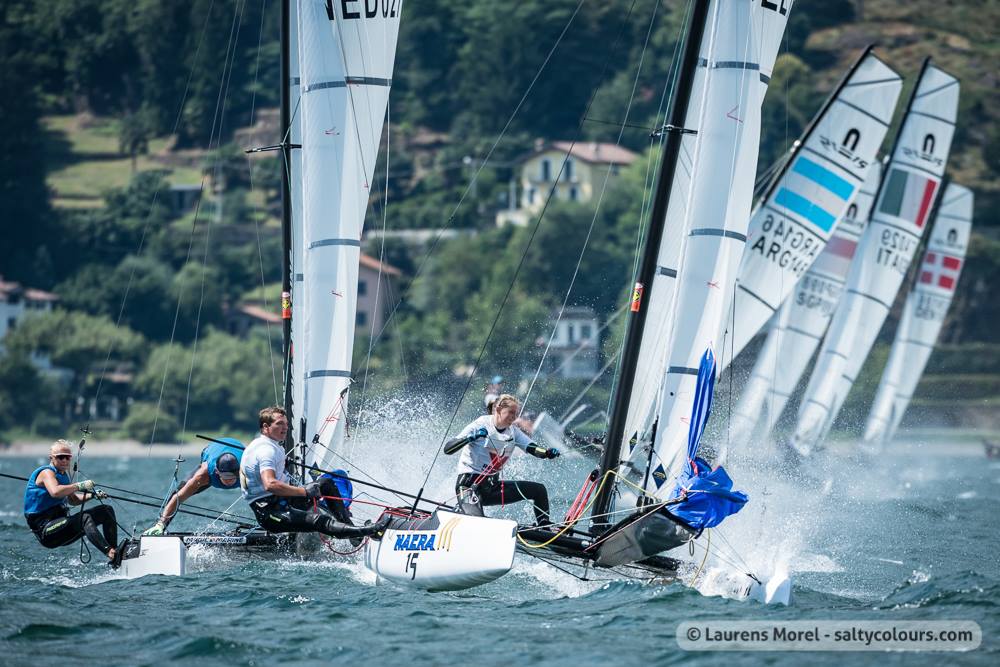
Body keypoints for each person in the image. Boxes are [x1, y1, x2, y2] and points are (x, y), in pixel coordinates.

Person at [240, 406, 389, 539]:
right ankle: (369, 531)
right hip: (269, 512)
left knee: (324, 484)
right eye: (279, 424)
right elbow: (270, 484)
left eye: (286, 423)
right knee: (319, 520)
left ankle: (351, 531)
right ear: (265, 427)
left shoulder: (262, 445)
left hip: (283, 500)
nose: (285, 427)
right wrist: (304, 492)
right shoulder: (267, 450)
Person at [444, 394, 560, 527]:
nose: (514, 417)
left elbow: (532, 448)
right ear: (498, 410)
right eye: (511, 412)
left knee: (538, 490)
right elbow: (448, 449)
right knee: (477, 523)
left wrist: (546, 453)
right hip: (469, 487)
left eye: (516, 413)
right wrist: (471, 437)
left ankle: (544, 526)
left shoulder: (513, 431)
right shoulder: (480, 424)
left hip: (493, 488)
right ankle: (463, 512)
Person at [23, 440, 121, 565]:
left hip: (62, 525)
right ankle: (110, 553)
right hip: (46, 530)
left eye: (67, 457)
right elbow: (55, 492)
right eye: (60, 457)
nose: (64, 460)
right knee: (84, 518)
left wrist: (92, 495)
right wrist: (79, 485)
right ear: (51, 458)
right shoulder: (46, 473)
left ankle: (116, 554)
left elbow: (73, 500)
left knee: (106, 510)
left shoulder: (64, 475)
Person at [142, 438, 244, 536]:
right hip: (212, 448)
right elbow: (178, 498)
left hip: (238, 448)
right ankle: (159, 528)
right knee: (179, 491)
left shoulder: (247, 472)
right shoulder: (204, 475)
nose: (230, 480)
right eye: (226, 477)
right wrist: (161, 524)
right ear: (217, 472)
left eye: (233, 476)